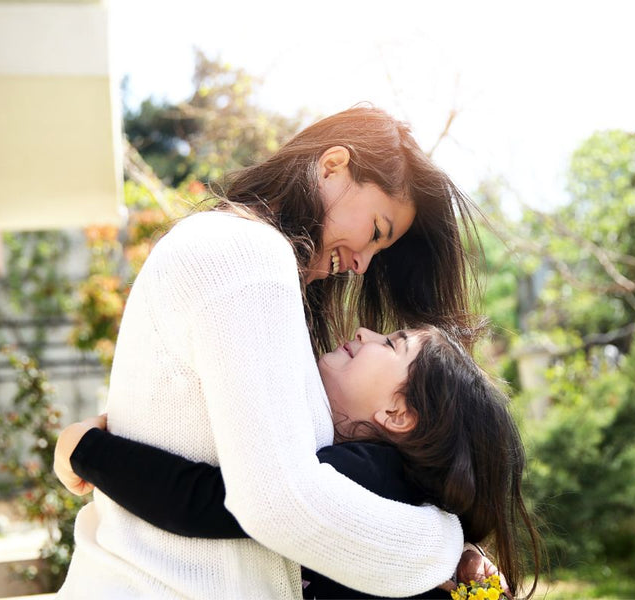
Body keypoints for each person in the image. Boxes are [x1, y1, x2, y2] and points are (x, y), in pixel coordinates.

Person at [55, 105, 484, 599]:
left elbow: (183, 424)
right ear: (333, 166)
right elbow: (278, 503)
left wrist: (89, 446)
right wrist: (443, 545)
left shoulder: (238, 252)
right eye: (376, 231)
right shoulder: (249, 254)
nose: (363, 265)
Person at [55, 326, 542, 599]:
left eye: (393, 343)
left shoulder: (369, 474)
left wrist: (89, 451)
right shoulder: (400, 494)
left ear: (398, 414)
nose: (364, 331)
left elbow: (206, 502)